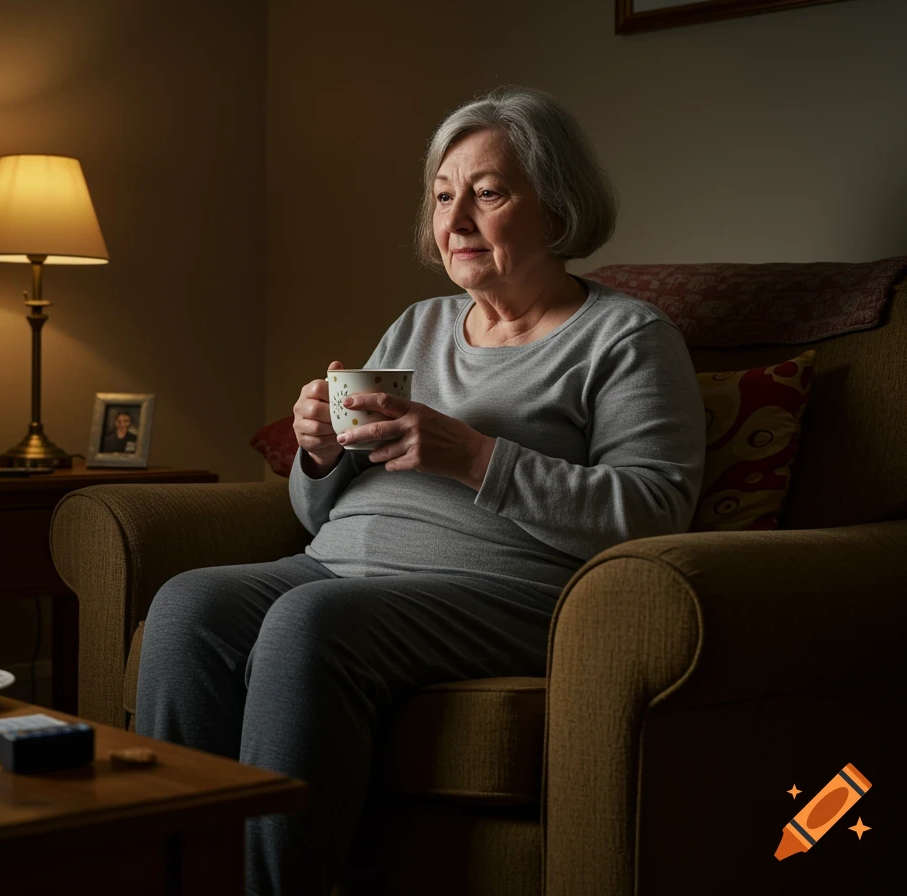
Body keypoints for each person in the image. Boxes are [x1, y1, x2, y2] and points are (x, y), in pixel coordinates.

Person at [134, 86, 706, 896]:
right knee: (189, 604)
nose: (456, 219)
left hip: (506, 589)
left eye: (488, 192)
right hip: (337, 565)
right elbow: (313, 515)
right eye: (443, 196)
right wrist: (320, 454)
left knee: (307, 622)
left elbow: (651, 513)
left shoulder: (626, 337)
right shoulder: (418, 326)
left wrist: (476, 456)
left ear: (557, 207)